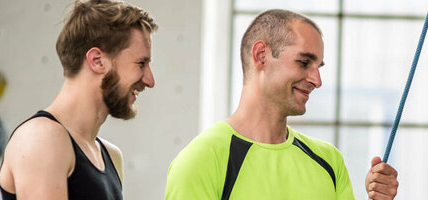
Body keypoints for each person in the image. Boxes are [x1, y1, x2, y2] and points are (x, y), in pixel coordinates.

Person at [164, 9, 398, 200]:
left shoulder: (329, 161)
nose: (317, 80)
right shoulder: (200, 161)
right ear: (261, 56)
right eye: (304, 62)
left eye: (319, 67)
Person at [0, 0, 157, 199]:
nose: (150, 81)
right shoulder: (42, 139)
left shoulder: (111, 156)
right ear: (97, 61)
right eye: (141, 63)